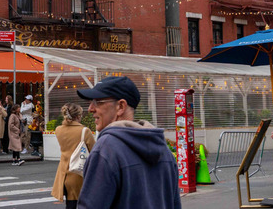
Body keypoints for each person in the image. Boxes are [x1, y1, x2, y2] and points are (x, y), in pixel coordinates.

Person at [76, 76, 180, 209]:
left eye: (98, 101)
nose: (90, 108)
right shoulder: (164, 151)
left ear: (120, 106)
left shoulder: (106, 149)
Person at [52, 103, 96, 209]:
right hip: (78, 173)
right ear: (78, 116)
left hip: (63, 173)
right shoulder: (84, 131)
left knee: (70, 204)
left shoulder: (58, 130)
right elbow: (94, 152)